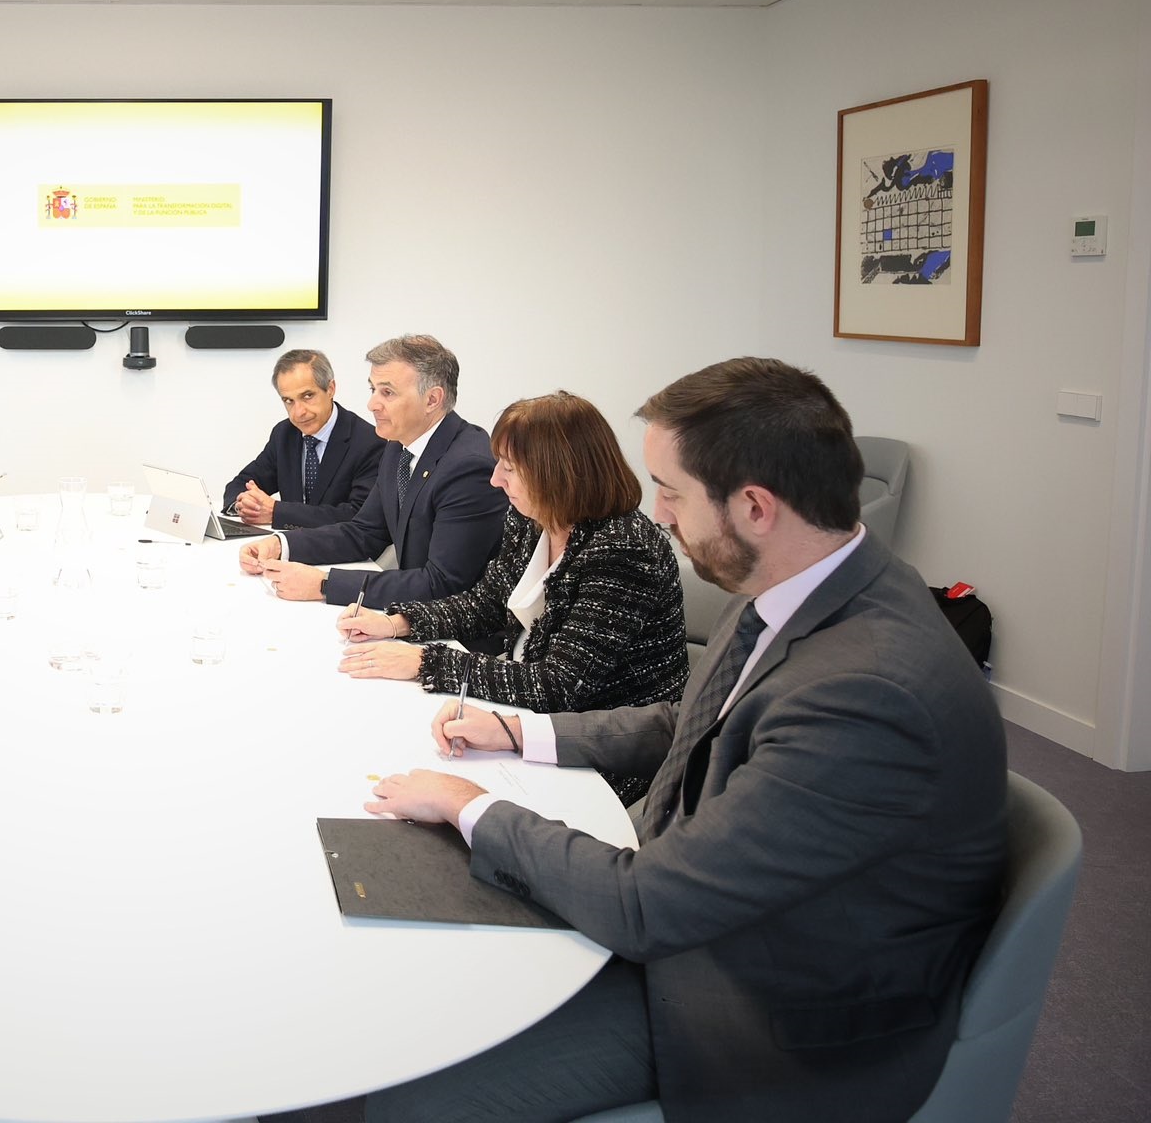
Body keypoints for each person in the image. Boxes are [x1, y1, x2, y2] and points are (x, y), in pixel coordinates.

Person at [364, 358, 1006, 1123]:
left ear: (755, 507)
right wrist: (519, 731)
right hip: (702, 913)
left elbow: (645, 905)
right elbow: (687, 719)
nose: (658, 514)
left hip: (757, 1018)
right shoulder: (800, 582)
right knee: (428, 970)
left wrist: (469, 805)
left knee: (404, 1086)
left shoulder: (866, 696)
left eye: (670, 491)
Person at [336, 391, 686, 803]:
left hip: (598, 755)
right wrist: (399, 623)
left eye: (510, 468)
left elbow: (558, 685)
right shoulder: (532, 517)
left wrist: (424, 661)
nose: (495, 480)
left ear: (559, 473)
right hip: (526, 716)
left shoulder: (623, 549)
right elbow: (487, 602)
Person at [238, 334, 506, 605]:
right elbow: (364, 532)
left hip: (457, 624)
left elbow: (443, 583)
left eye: (387, 392)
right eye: (373, 390)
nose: (372, 405)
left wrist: (324, 584)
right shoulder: (397, 447)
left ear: (432, 399)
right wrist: (281, 545)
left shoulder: (468, 467)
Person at [221, 347, 386, 529]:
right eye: (288, 401)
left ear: (330, 389)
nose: (298, 412)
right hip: (287, 542)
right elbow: (241, 483)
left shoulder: (369, 442)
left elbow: (358, 515)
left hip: (336, 546)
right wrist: (244, 504)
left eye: (307, 396)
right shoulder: (284, 433)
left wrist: (277, 512)